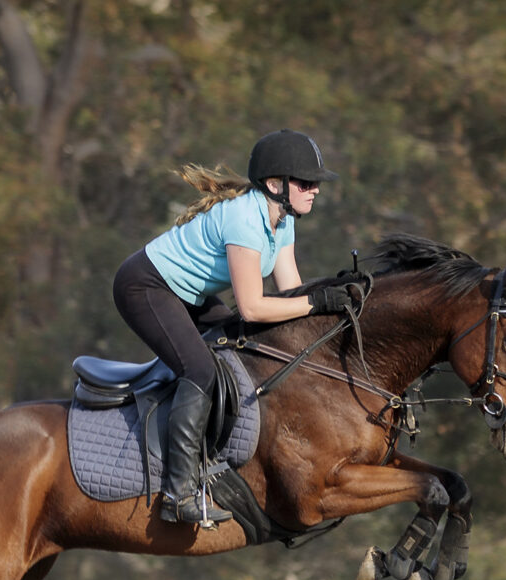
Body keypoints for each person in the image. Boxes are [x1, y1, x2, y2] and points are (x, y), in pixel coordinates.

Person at [112, 129, 355, 525]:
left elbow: (291, 293)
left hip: (183, 293)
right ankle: (177, 493)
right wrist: (316, 302)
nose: (315, 190)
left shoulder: (283, 220)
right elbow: (254, 308)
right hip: (146, 287)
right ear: (276, 185)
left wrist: (332, 301)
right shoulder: (245, 218)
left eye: (316, 184)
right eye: (307, 183)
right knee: (201, 370)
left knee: (247, 345)